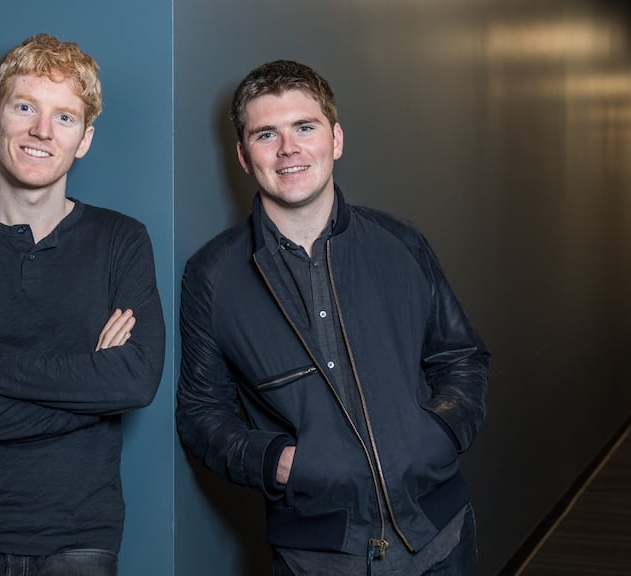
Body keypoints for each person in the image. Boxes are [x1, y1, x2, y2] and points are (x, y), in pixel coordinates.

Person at [175, 59, 490, 575]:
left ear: (336, 139)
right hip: (316, 557)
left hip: (442, 537)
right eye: (266, 134)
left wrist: (439, 433)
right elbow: (201, 413)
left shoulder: (401, 242)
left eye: (305, 127)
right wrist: (278, 462)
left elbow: (460, 356)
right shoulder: (212, 274)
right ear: (243, 155)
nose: (288, 149)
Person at [0, 33, 165, 576]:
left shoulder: (122, 241)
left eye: (65, 117)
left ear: (84, 139)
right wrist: (89, 393)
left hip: (79, 541)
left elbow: (134, 383)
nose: (43, 130)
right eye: (25, 107)